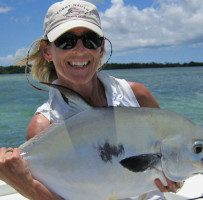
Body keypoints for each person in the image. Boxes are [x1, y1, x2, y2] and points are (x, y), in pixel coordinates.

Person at [0, 0, 183, 199]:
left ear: (101, 48)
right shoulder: (43, 126)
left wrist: (176, 177)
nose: (80, 49)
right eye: (66, 40)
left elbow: (174, 157)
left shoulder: (137, 97)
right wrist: (24, 184)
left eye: (90, 40)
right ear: (47, 51)